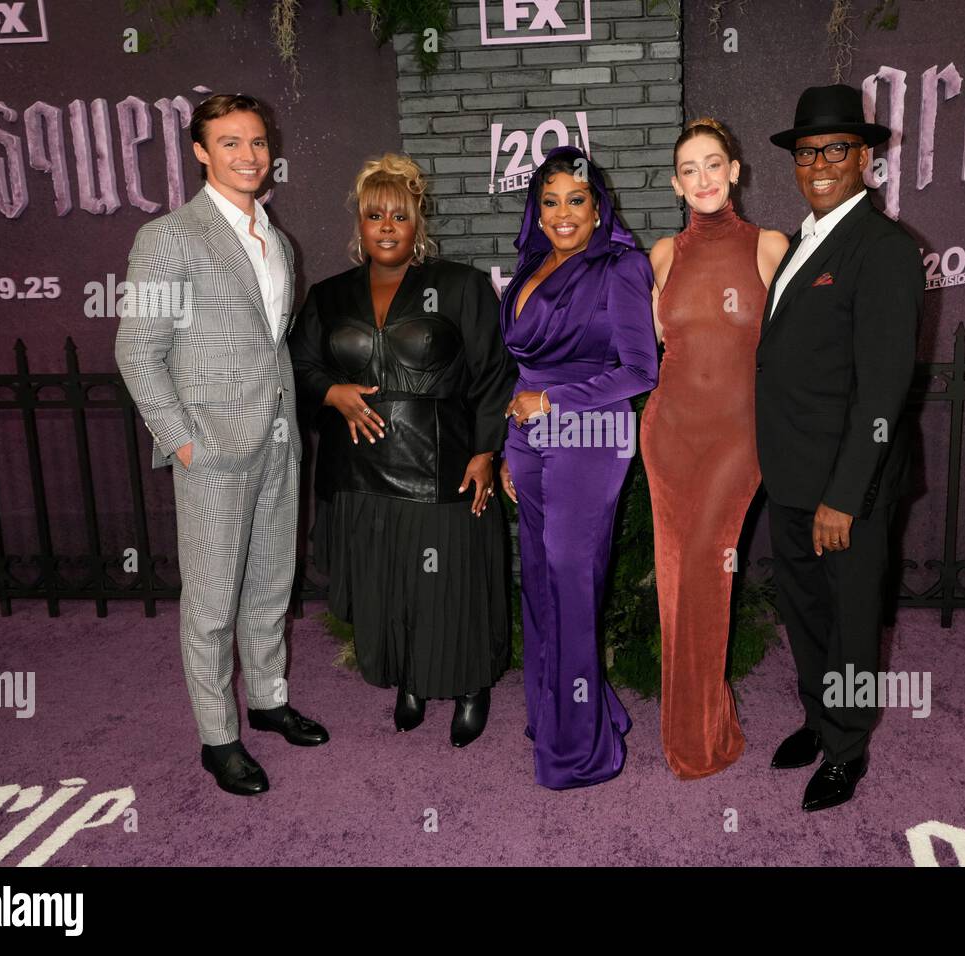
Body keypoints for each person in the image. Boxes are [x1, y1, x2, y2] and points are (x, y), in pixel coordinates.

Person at [116, 93, 328, 798]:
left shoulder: (280, 241)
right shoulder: (167, 237)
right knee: (210, 605)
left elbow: (271, 348)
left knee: (271, 585)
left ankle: (267, 700)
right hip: (209, 450)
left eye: (259, 142)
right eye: (230, 142)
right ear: (201, 153)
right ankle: (218, 738)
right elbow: (136, 353)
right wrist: (181, 443)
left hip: (277, 438)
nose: (249, 155)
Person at [289, 153, 515, 747]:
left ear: (418, 224)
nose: (386, 226)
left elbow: (494, 375)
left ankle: (470, 685)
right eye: (374, 215)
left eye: (399, 215)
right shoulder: (328, 295)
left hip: (443, 468)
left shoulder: (462, 286)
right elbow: (299, 366)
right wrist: (332, 391)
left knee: (449, 584)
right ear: (358, 225)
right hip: (361, 476)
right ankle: (411, 678)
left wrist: (486, 451)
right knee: (391, 586)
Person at [756, 84, 923, 811]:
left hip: (844, 486)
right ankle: (821, 721)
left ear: (865, 158)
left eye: (835, 150)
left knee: (852, 619)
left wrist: (843, 496)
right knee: (806, 612)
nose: (818, 163)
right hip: (790, 474)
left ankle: (847, 750)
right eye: (806, 152)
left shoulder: (884, 250)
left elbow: (882, 393)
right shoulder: (801, 241)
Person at [498, 145, 658, 789]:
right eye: (550, 201)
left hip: (589, 433)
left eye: (577, 200)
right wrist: (510, 440)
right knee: (538, 581)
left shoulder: (622, 267)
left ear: (599, 208)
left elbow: (639, 370)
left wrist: (552, 401)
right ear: (536, 211)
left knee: (570, 582)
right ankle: (557, 715)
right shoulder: (531, 265)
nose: (563, 214)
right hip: (528, 438)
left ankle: (580, 749)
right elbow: (516, 367)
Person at [642, 118, 788, 780]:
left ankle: (698, 736)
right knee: (677, 583)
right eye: (689, 169)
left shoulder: (770, 247)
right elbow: (656, 351)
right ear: (676, 184)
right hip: (668, 437)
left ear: (736, 171)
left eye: (713, 164)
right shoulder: (663, 255)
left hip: (738, 439)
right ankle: (697, 726)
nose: (702, 177)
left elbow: (793, 354)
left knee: (704, 571)